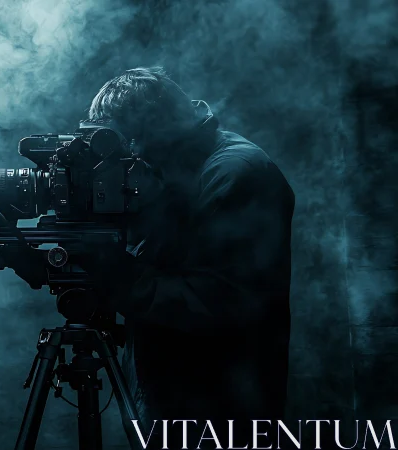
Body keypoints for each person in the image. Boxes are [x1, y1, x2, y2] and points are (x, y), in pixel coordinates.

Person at [86, 67, 295, 448]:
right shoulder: (178, 170)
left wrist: (115, 275)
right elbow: (166, 267)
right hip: (182, 402)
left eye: (128, 143)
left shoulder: (236, 173)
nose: (126, 157)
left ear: (155, 128)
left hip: (221, 411)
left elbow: (221, 303)